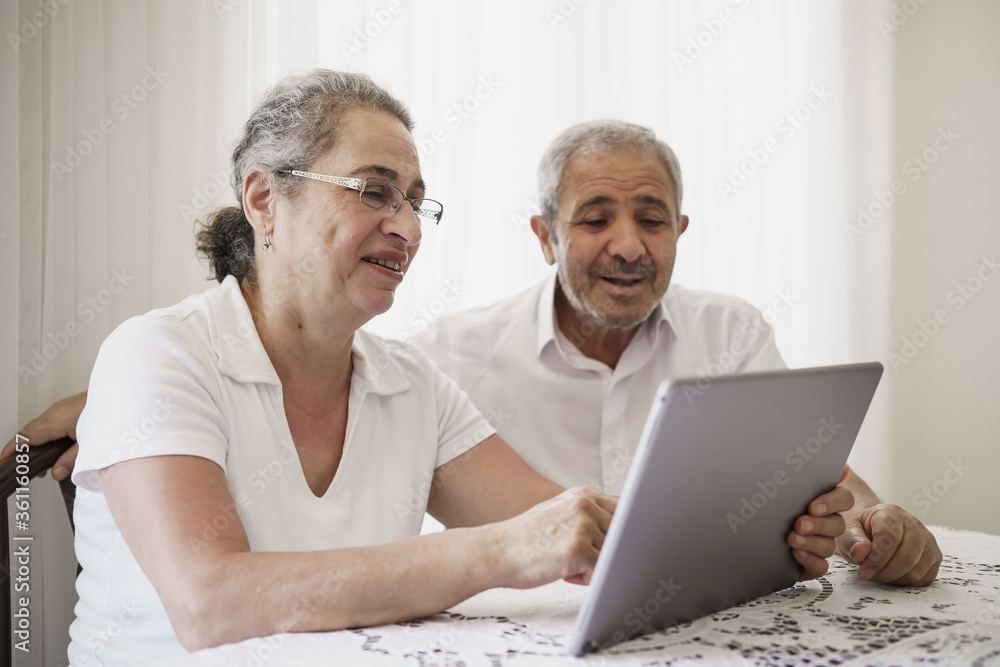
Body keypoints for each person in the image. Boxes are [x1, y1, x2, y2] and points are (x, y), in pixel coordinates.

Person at [35, 70, 624, 665]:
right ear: (264, 200)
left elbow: (571, 530)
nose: (410, 229)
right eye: (374, 191)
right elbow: (209, 604)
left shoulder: (413, 384)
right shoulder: (157, 355)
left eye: (416, 203)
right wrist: (501, 551)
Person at [414, 120, 942, 587]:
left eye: (651, 220)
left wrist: (873, 526)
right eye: (596, 221)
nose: (627, 246)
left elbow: (818, 477)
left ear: (679, 231)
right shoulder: (451, 354)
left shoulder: (732, 333)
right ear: (546, 237)